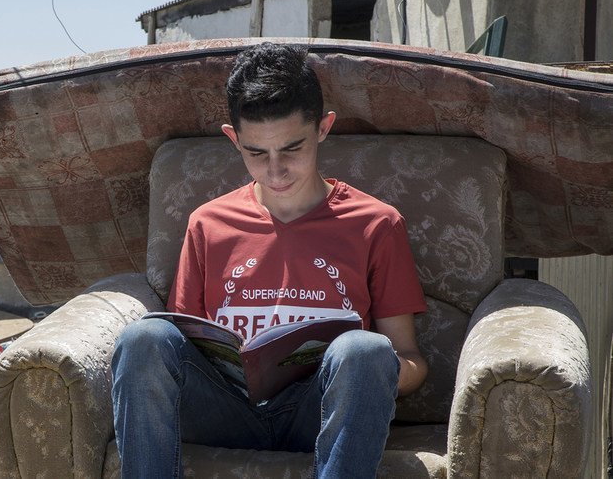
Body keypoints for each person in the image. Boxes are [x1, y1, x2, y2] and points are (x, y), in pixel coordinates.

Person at [110, 42, 428, 479]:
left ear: (323, 128)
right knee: (143, 338)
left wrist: (365, 372)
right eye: (256, 153)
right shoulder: (208, 224)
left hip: (317, 414)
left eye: (292, 149)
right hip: (227, 412)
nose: (275, 171)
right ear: (233, 138)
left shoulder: (376, 224)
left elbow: (412, 360)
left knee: (367, 348)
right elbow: (187, 346)